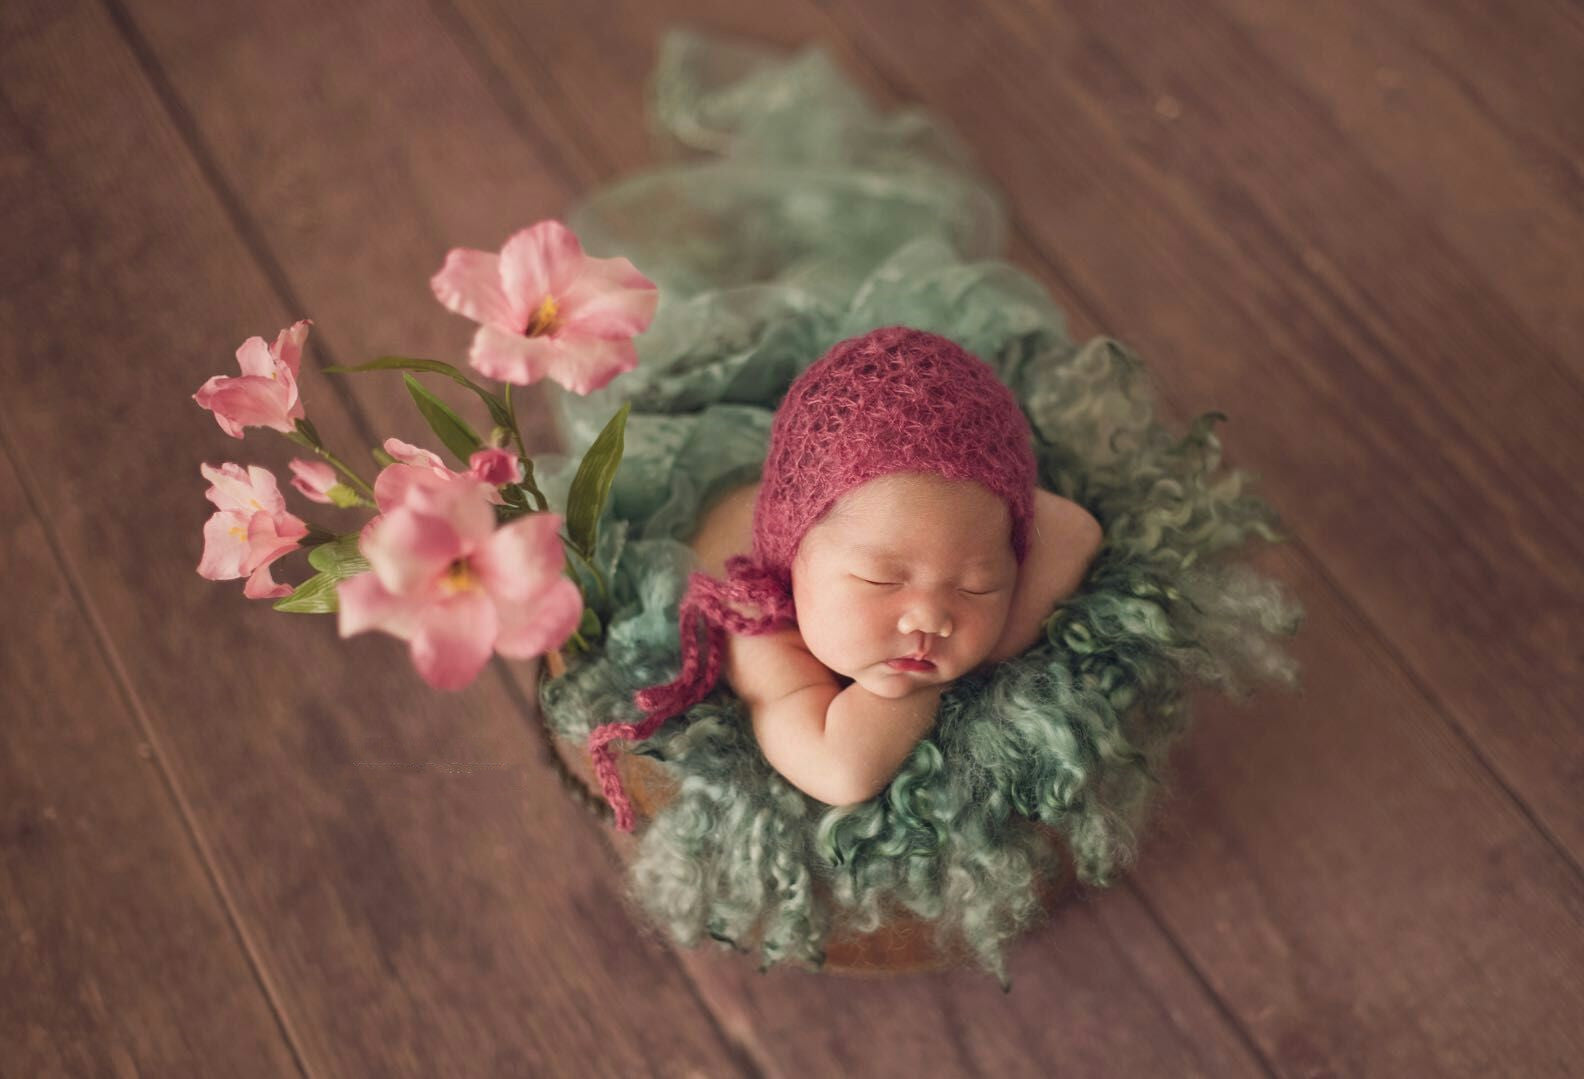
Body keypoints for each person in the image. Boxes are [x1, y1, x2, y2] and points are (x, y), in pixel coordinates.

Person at [588, 325, 1104, 830]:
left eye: (976, 585)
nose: (931, 616)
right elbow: (841, 770)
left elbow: (1074, 531)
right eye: (881, 580)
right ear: (794, 563)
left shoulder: (923, 542)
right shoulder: (757, 618)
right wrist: (939, 679)